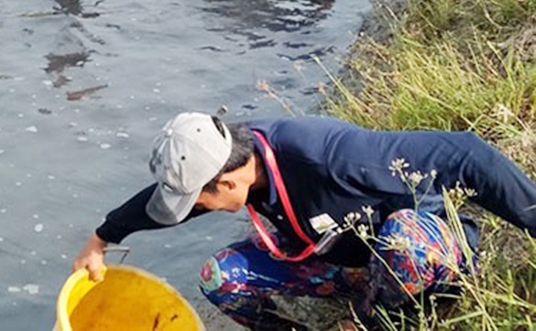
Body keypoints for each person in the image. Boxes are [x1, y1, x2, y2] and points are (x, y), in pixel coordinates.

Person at [71, 112, 536, 329]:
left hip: (425, 261)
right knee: (219, 277)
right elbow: (164, 200)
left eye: (202, 201)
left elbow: (466, 153)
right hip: (350, 266)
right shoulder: (232, 163)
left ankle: (384, 324)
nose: (197, 210)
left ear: (227, 182)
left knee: (405, 242)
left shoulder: (329, 155)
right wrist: (101, 238)